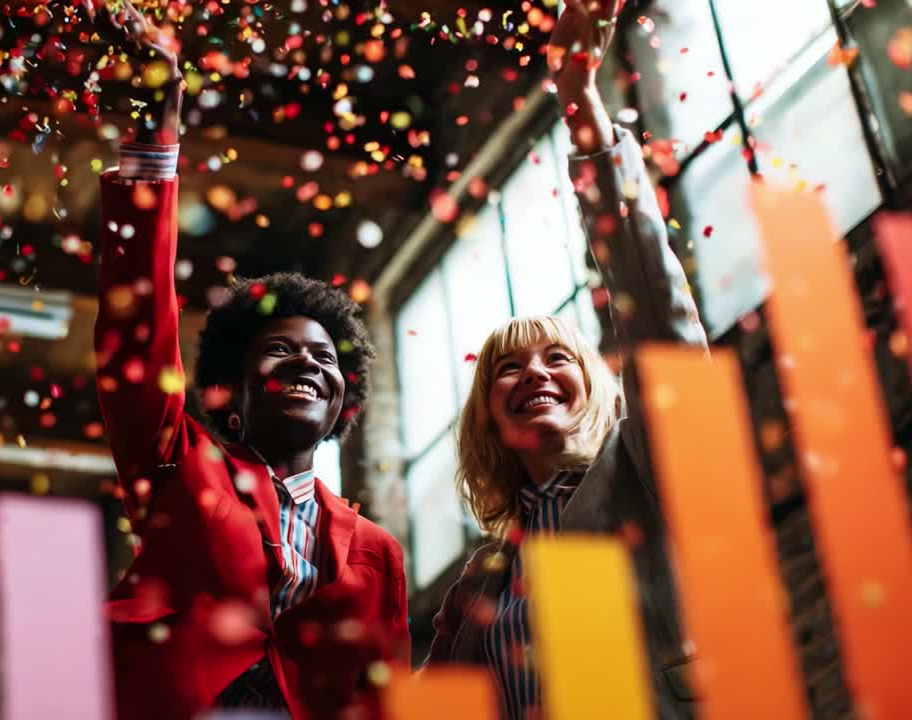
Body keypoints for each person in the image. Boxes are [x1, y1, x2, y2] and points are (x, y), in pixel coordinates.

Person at [90, 3, 409, 718]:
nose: (308, 362)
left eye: (326, 358)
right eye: (280, 349)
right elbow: (136, 327)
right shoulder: (181, 467)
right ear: (233, 390)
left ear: (341, 403)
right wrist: (155, 134)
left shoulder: (378, 552)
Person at [423, 1, 708, 719]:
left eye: (558, 358)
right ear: (487, 412)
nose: (535, 375)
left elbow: (651, 303)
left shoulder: (643, 470)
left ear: (594, 384)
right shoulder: (480, 581)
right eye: (508, 370)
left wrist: (581, 110)